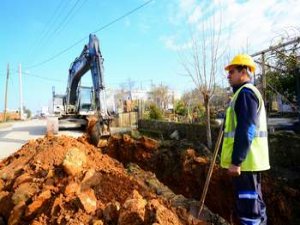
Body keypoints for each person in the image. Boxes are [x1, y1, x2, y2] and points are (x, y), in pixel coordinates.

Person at [221, 54, 270, 225]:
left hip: (246, 164)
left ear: (244, 72)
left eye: (231, 71)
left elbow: (247, 129)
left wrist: (236, 161)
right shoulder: (242, 94)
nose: (228, 75)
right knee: (256, 205)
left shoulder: (246, 94)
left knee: (249, 210)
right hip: (249, 163)